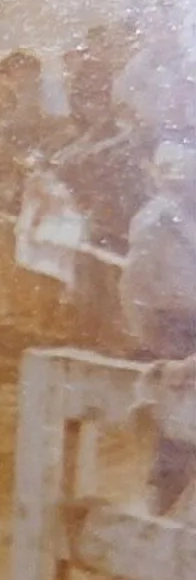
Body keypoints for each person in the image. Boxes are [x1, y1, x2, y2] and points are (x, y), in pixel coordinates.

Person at [122, 141, 196, 513]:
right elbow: (135, 284)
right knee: (178, 416)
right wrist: (149, 336)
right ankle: (162, 500)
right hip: (173, 324)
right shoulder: (155, 219)